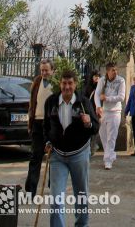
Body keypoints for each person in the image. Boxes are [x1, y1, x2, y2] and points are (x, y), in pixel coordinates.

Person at [44, 69, 99, 227]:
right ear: (60, 84)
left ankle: (81, 224)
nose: (67, 86)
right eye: (64, 83)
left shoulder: (84, 103)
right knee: (56, 198)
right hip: (57, 155)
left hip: (79, 154)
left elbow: (95, 127)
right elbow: (46, 126)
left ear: (75, 85)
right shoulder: (51, 102)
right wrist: (47, 141)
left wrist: (88, 122)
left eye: (70, 83)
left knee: (81, 195)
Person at [25, 58, 54, 198]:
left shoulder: (56, 84)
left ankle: (53, 186)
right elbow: (32, 102)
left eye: (46, 70)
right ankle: (30, 190)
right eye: (42, 70)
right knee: (35, 157)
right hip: (37, 122)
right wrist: (29, 120)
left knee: (54, 158)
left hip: (51, 125)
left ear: (52, 70)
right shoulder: (36, 82)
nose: (44, 72)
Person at [94, 62, 126, 170]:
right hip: (104, 111)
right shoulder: (102, 80)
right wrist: (98, 106)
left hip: (115, 111)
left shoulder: (121, 80)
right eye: (113, 70)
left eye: (116, 70)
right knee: (103, 135)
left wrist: (107, 98)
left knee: (111, 137)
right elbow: (97, 94)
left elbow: (121, 97)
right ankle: (111, 155)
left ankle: (107, 160)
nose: (115, 72)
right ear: (107, 71)